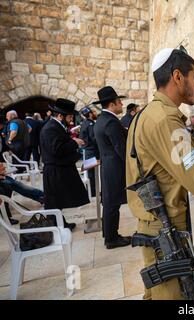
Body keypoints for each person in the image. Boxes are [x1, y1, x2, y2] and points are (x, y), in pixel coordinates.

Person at [126, 47, 194, 300]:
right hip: (165, 232)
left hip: (158, 226)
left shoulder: (149, 113)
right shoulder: (164, 119)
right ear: (178, 77)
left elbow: (171, 163)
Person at [40, 98, 89, 231]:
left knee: (57, 201)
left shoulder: (56, 126)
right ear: (60, 116)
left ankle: (60, 224)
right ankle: (55, 227)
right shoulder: (51, 128)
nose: (71, 120)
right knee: (54, 201)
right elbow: (57, 149)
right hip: (55, 170)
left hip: (59, 168)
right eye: (69, 117)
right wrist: (75, 143)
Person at [93, 86, 131, 249]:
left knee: (110, 203)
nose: (122, 104)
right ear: (112, 104)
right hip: (114, 168)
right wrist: (133, 165)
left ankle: (109, 234)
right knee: (112, 204)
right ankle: (112, 238)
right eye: (119, 101)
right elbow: (120, 148)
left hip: (108, 166)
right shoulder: (110, 122)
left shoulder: (102, 119)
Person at [79, 106, 99, 197]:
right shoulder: (90, 124)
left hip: (88, 150)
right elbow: (93, 138)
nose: (95, 113)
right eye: (94, 112)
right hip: (91, 151)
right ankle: (93, 192)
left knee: (91, 173)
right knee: (91, 173)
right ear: (90, 114)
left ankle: (92, 191)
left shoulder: (85, 123)